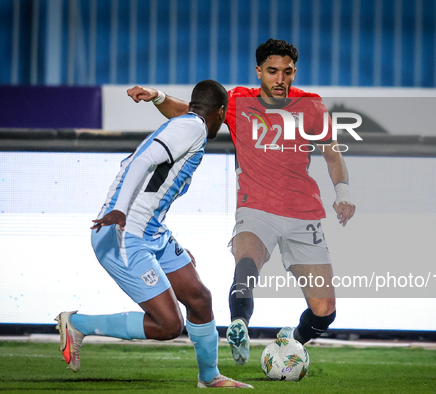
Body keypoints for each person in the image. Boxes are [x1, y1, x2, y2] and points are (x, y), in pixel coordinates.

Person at [127, 39, 356, 366]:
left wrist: (343, 194)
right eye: (273, 71)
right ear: (259, 71)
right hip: (256, 207)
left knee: (324, 312)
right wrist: (158, 97)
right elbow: (187, 113)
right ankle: (239, 325)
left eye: (287, 72)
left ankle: (289, 343)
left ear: (295, 72)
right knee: (246, 261)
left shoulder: (311, 107)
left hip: (303, 212)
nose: (280, 79)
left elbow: (333, 154)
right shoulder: (238, 102)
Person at [55, 80, 252, 389]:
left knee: (200, 299)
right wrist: (119, 210)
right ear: (220, 112)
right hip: (123, 231)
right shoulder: (195, 128)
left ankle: (209, 377)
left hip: (149, 230)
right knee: (169, 324)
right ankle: (78, 324)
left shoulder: (187, 123)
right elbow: (141, 160)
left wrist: (157, 96)